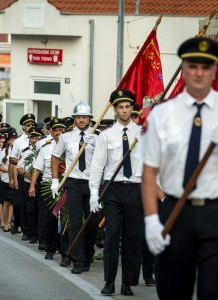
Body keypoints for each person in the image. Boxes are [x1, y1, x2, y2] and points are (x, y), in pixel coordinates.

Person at [142, 36, 218, 300]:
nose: (199, 73)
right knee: (174, 290)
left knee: (214, 290)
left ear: (214, 70)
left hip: (216, 213)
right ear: (184, 69)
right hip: (175, 211)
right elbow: (149, 172)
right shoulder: (163, 114)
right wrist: (152, 220)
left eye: (206, 67)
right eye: (193, 66)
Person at [89, 90, 144, 296]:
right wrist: (94, 191)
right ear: (115, 110)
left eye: (127, 107)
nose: (124, 110)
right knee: (112, 236)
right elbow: (97, 165)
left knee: (132, 237)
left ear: (132, 109)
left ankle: (128, 282)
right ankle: (109, 281)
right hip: (113, 189)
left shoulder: (142, 133)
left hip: (136, 189)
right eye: (120, 107)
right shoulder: (106, 135)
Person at [51, 100, 99, 274]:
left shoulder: (98, 136)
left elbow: (107, 158)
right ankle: (77, 261)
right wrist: (55, 180)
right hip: (73, 183)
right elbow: (55, 156)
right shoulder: (65, 137)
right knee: (75, 223)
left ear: (90, 118)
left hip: (93, 183)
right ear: (74, 119)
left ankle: (88, 255)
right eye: (78, 117)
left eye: (84, 117)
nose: (81, 120)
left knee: (92, 223)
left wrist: (95, 143)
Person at [29, 118, 67, 259]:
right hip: (48, 187)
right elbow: (37, 168)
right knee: (50, 218)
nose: (58, 132)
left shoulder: (70, 146)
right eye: (56, 130)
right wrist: (32, 185)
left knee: (64, 219)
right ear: (51, 131)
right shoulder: (46, 148)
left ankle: (64, 250)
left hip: (65, 187)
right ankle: (49, 248)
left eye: (61, 130)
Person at [8, 113, 36, 240]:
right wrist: (20, 162)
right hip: (23, 175)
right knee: (24, 206)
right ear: (23, 127)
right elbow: (12, 159)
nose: (30, 126)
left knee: (36, 207)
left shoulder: (40, 138)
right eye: (27, 125)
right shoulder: (19, 141)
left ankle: (35, 232)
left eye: (32, 124)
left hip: (38, 176)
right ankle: (26, 231)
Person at [17, 127, 44, 243]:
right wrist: (28, 175)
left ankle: (40, 234)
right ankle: (30, 233)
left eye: (36, 137)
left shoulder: (44, 149)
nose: (34, 140)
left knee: (41, 210)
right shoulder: (26, 151)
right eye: (32, 138)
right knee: (30, 210)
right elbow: (19, 168)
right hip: (29, 183)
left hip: (42, 183)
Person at [0, 131, 18, 232]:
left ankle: (9, 222)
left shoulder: (18, 151)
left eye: (15, 139)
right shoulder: (3, 152)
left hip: (16, 180)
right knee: (6, 203)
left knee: (13, 203)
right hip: (5, 180)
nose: (13, 141)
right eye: (11, 140)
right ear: (8, 141)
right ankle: (5, 223)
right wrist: (8, 171)